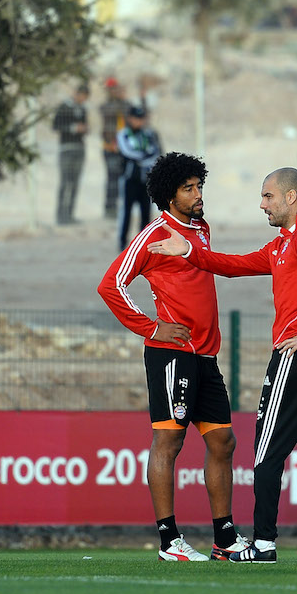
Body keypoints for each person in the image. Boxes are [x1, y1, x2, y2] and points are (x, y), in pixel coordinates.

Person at [149, 167, 297, 565]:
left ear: (291, 198)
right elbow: (233, 265)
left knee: (265, 451)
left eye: (268, 197)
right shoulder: (280, 246)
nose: (262, 204)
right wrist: (189, 252)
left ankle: (263, 544)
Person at [96, 152, 250, 562]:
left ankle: (225, 538)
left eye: (200, 186)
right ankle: (169, 542)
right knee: (170, 439)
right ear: (170, 195)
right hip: (171, 354)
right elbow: (111, 285)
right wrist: (151, 327)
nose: (198, 194)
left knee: (223, 441)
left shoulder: (201, 229)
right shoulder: (153, 234)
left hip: (206, 354)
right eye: (189, 188)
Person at [116, 106, 160, 250]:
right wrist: (143, 156)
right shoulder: (123, 134)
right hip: (129, 179)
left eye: (141, 119)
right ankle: (122, 242)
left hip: (146, 180)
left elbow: (155, 152)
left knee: (146, 212)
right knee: (126, 211)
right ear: (130, 118)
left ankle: (144, 245)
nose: (139, 122)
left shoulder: (148, 134)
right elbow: (128, 152)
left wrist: (143, 157)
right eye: (136, 118)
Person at [52, 84, 90, 225]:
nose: (82, 100)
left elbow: (86, 126)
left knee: (74, 184)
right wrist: (73, 128)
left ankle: (70, 215)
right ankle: (60, 216)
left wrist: (84, 129)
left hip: (79, 148)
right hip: (66, 149)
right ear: (76, 93)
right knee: (65, 183)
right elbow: (55, 125)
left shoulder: (83, 109)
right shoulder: (64, 107)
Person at [99, 78, 133, 219]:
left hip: (123, 148)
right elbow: (108, 112)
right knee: (112, 178)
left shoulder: (124, 105)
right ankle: (109, 208)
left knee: (123, 178)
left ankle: (121, 207)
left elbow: (132, 112)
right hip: (110, 148)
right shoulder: (106, 105)